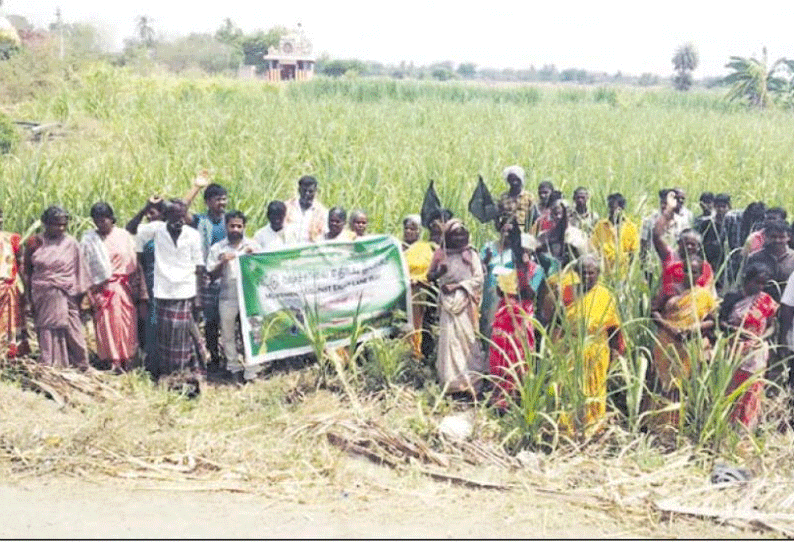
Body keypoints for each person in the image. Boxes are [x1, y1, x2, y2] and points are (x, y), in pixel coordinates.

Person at [135, 200, 205, 380]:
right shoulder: (155, 231)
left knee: (184, 335)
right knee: (165, 336)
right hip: (163, 291)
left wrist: (198, 299)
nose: (180, 220)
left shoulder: (192, 235)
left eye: (182, 216)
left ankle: (186, 371)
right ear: (165, 216)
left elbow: (198, 267)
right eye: (175, 216)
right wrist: (146, 206)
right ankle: (169, 373)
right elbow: (131, 229)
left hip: (186, 292)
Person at [649, 254, 718, 428]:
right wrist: (670, 328)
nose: (690, 274)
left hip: (689, 345)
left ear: (700, 274)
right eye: (686, 270)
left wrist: (694, 328)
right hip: (666, 343)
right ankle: (655, 425)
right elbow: (654, 312)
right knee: (662, 383)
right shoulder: (670, 289)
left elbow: (712, 320)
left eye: (694, 271)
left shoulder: (704, 295)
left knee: (682, 385)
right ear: (682, 271)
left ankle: (675, 427)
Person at [558, 255, 624, 434]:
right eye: (583, 273)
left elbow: (614, 327)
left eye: (591, 273)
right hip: (571, 349)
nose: (587, 277)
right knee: (569, 387)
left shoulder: (605, 295)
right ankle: (568, 430)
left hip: (596, 349)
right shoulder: (568, 292)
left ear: (598, 274)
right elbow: (558, 321)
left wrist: (617, 352)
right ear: (577, 273)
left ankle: (592, 429)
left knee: (594, 388)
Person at [81, 202, 147, 372]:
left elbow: (133, 263)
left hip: (122, 287)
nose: (101, 224)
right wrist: (90, 291)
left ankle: (127, 359)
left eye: (104, 220)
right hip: (100, 289)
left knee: (125, 322)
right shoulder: (90, 239)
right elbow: (85, 266)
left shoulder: (123, 236)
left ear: (111, 219)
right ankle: (112, 360)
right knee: (106, 324)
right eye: (97, 221)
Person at [23, 206, 88, 368]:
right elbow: (27, 271)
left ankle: (79, 364)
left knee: (73, 331)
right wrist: (28, 298)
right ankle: (51, 365)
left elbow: (81, 270)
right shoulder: (35, 242)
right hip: (43, 292)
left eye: (63, 224)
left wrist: (84, 297)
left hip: (67, 292)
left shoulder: (71, 243)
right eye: (55, 224)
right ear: (46, 223)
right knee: (47, 328)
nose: (60, 228)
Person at [427, 219, 485, 396]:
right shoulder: (441, 253)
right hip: (447, 304)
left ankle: (471, 383)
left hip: (465, 304)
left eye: (462, 234)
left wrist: (458, 287)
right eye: (455, 235)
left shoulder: (470, 254)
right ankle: (452, 384)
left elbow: (478, 279)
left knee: (467, 340)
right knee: (449, 342)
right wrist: (440, 273)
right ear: (448, 236)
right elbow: (429, 276)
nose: (459, 238)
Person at [488, 235, 545, 410]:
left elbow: (530, 293)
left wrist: (522, 272)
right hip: (505, 313)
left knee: (520, 352)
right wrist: (505, 282)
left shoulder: (536, 270)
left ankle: (517, 394)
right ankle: (499, 396)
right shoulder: (504, 267)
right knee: (501, 350)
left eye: (525, 251)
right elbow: (499, 290)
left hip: (522, 315)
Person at [719, 261, 778, 429]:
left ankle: (745, 430)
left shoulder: (766, 301)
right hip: (734, 349)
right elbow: (720, 322)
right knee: (731, 388)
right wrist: (735, 331)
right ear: (747, 279)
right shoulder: (733, 297)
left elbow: (772, 326)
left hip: (756, 353)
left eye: (763, 283)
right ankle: (724, 426)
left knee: (751, 389)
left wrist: (762, 338)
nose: (759, 287)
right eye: (756, 282)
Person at [207, 211, 261, 383]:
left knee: (252, 332)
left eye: (239, 226)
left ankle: (252, 370)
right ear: (226, 226)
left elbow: (263, 273)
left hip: (249, 296)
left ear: (244, 227)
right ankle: (233, 368)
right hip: (227, 296)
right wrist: (221, 262)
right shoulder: (218, 248)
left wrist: (255, 259)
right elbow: (211, 276)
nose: (236, 229)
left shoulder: (253, 245)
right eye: (232, 226)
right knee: (228, 333)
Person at [187, 183, 228, 372]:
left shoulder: (230, 220)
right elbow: (181, 210)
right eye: (218, 199)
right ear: (208, 202)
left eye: (224, 198)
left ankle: (232, 357)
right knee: (210, 321)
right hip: (207, 278)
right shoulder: (200, 221)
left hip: (228, 277)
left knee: (230, 320)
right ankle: (214, 357)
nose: (222, 202)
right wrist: (196, 187)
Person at [126, 196, 167, 375]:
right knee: (150, 322)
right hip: (150, 282)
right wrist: (144, 208)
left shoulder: (172, 228)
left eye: (154, 212)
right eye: (148, 213)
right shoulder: (144, 230)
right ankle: (151, 364)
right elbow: (129, 228)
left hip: (169, 282)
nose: (151, 216)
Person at [652, 190, 715, 295]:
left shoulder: (704, 267)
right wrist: (669, 210)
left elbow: (711, 294)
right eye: (686, 243)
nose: (689, 247)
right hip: (669, 306)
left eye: (693, 244)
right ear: (679, 244)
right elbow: (656, 237)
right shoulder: (670, 257)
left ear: (699, 247)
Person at [401, 215, 434, 358]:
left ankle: (415, 351)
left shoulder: (425, 248)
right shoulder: (396, 247)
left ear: (419, 231)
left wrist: (417, 280)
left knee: (415, 324)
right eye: (406, 228)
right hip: (399, 293)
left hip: (417, 291)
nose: (409, 231)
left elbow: (430, 271)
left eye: (413, 229)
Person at [480, 216, 517, 341]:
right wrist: (486, 260)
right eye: (504, 231)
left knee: (504, 324)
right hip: (490, 290)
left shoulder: (516, 251)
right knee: (488, 321)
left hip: (508, 292)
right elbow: (479, 267)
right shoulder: (489, 247)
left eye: (510, 232)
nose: (506, 234)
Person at [590, 192, 639, 277]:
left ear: (622, 208)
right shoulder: (600, 225)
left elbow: (634, 252)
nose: (612, 211)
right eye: (610, 208)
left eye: (615, 208)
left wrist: (629, 274)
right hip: (604, 273)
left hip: (623, 273)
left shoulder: (631, 227)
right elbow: (593, 247)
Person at [746, 220, 794, 302]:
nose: (777, 240)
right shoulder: (754, 257)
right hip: (760, 306)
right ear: (765, 237)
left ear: (788, 237)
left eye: (781, 237)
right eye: (773, 237)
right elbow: (747, 285)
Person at [640, 188, 690, 266]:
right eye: (662, 202)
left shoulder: (682, 222)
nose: (664, 206)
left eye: (667, 203)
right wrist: (644, 263)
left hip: (674, 264)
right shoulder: (650, 220)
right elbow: (644, 242)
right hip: (654, 263)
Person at [0, 208, 26, 358]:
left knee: (10, 324)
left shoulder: (13, 238)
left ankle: (9, 357)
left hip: (9, 288)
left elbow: (22, 266)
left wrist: (27, 290)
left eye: (0, 217)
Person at [284, 175, 328, 243]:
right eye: (304, 191)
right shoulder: (287, 207)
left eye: (310, 191)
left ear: (315, 191)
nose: (307, 194)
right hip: (288, 249)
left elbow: (324, 235)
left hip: (309, 250)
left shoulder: (322, 212)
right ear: (299, 190)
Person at [497, 165, 534, 232]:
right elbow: (498, 216)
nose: (514, 182)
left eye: (516, 179)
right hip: (507, 232)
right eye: (511, 179)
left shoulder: (528, 197)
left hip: (524, 232)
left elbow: (534, 216)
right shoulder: (503, 197)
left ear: (521, 180)